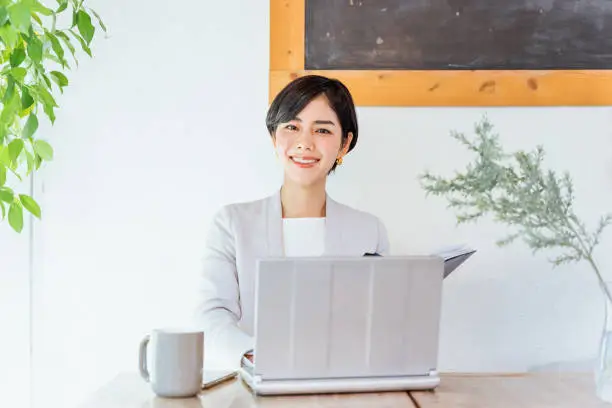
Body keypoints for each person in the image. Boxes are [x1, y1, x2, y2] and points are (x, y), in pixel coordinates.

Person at [195, 74, 389, 370]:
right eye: (292, 127)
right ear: (275, 138)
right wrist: (260, 358)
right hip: (254, 385)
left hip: (342, 384)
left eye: (322, 130)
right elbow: (210, 318)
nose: (305, 143)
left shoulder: (368, 230)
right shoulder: (232, 224)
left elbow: (378, 324)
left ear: (344, 144)